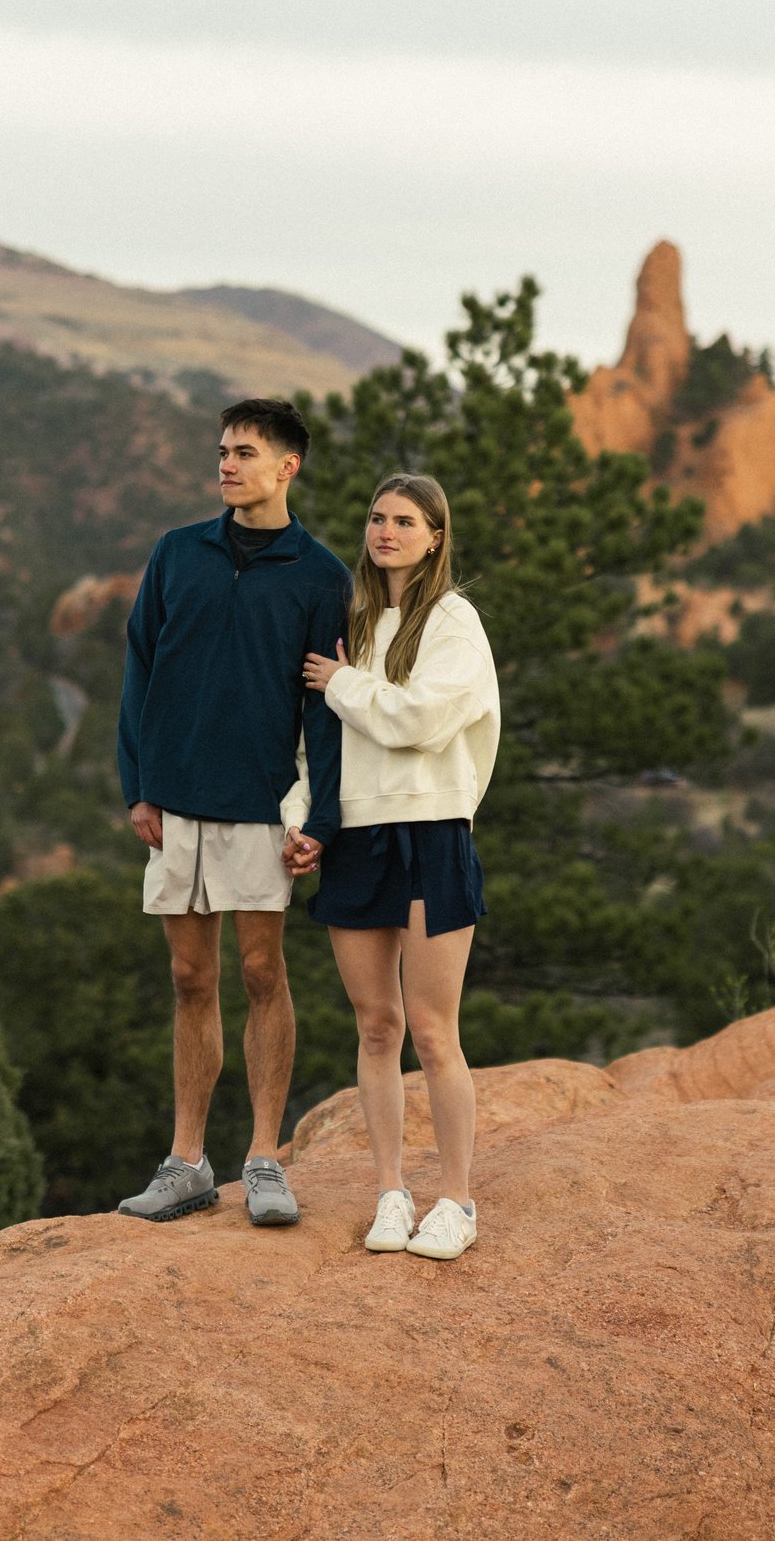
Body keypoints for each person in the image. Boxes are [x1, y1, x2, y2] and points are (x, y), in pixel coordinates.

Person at [114, 398, 350, 1226]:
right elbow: (139, 667)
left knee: (260, 973)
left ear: (287, 466)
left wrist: (322, 818)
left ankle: (262, 1159)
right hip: (174, 801)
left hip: (260, 805)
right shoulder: (177, 554)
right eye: (222, 450)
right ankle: (185, 1162)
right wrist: (136, 782)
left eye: (243, 452)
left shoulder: (321, 577)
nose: (225, 464)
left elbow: (325, 709)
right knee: (188, 977)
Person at [300, 473, 499, 1261]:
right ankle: (390, 1190)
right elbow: (312, 740)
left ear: (436, 535)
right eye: (378, 517)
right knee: (376, 1026)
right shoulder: (348, 619)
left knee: (433, 1029)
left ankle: (456, 1199)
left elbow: (421, 721)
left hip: (432, 834)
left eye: (405, 520)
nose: (386, 531)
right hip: (356, 836)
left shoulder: (455, 622)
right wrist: (301, 823)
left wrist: (343, 680)